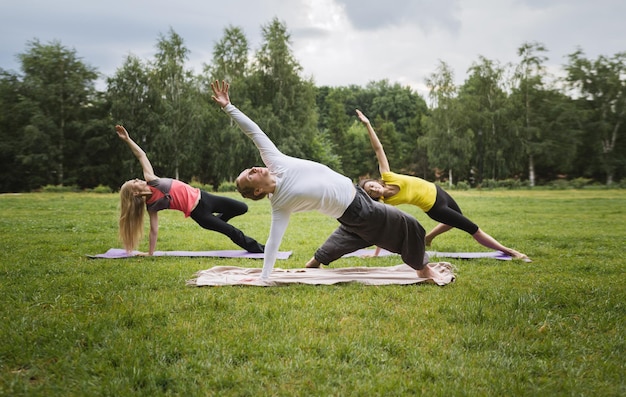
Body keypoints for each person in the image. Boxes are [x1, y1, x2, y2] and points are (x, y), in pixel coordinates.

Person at [210, 80, 447, 282]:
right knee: (409, 224)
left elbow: (254, 132)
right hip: (357, 210)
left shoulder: (275, 162)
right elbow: (273, 241)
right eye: (249, 175)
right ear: (258, 189)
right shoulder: (280, 204)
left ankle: (315, 262)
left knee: (351, 236)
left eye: (248, 169)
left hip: (354, 202)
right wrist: (264, 277)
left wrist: (228, 107)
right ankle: (423, 270)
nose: (252, 168)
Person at [355, 109, 530, 261]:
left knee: (455, 220)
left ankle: (428, 238)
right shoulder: (388, 203)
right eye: (371, 191)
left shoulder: (388, 175)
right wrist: (376, 253)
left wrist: (368, 124)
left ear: (376, 182)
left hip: (439, 192)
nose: (374, 189)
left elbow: (378, 149)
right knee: (472, 228)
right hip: (434, 207)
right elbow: (383, 227)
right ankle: (510, 251)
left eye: (372, 185)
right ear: (373, 197)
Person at [115, 125, 264, 255]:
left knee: (242, 207)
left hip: (204, 197)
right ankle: (262, 249)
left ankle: (217, 222)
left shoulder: (151, 179)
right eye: (134, 182)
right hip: (199, 213)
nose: (137, 179)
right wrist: (150, 253)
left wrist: (127, 139)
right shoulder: (152, 206)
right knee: (232, 231)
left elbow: (141, 155)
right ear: (135, 193)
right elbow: (154, 230)